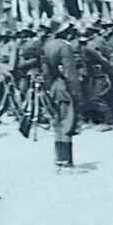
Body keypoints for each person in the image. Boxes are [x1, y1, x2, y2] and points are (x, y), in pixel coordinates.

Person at [41, 20, 79, 168]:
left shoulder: (47, 45)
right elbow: (71, 73)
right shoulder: (65, 46)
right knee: (67, 123)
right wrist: (76, 94)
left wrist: (50, 88)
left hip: (54, 87)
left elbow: (45, 72)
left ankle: (59, 158)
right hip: (65, 87)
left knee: (57, 122)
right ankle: (66, 160)